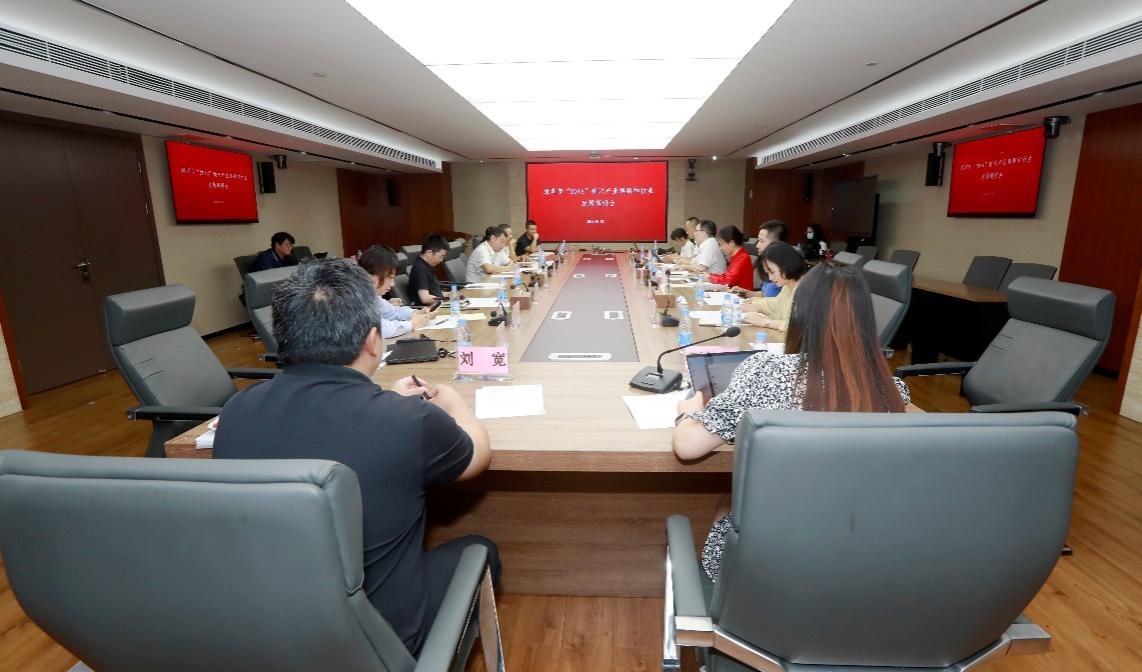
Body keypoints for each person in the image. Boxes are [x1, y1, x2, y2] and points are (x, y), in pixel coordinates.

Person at [212, 258, 498, 655]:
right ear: (373, 340)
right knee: (482, 549)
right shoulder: (409, 421)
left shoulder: (236, 411)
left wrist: (388, 401)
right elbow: (476, 456)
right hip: (380, 644)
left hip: (267, 635)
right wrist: (453, 402)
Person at [672, 262, 910, 581]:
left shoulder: (764, 372)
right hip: (856, 565)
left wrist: (688, 411)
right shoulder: (891, 390)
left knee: (728, 502)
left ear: (800, 315)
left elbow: (687, 447)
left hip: (764, 571)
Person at [358, 245, 433, 337]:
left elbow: (393, 312)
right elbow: (379, 328)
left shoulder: (372, 295)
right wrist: (412, 324)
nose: (392, 284)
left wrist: (415, 313)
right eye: (390, 278)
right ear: (372, 276)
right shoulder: (353, 297)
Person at [738, 242, 806, 331]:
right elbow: (775, 304)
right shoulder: (788, 286)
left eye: (772, 272)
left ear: (786, 264)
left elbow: (800, 326)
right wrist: (756, 306)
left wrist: (766, 322)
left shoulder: (806, 289)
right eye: (768, 273)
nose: (770, 278)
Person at [707, 225, 754, 291]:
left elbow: (729, 280)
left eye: (721, 244)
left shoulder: (743, 258)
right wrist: (710, 275)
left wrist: (710, 278)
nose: (720, 248)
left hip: (740, 296)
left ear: (732, 242)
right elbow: (727, 276)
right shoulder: (736, 256)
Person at [409, 234, 448, 305]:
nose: (442, 260)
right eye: (441, 256)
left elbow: (434, 291)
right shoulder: (420, 268)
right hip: (428, 309)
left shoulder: (428, 265)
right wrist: (446, 300)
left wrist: (449, 295)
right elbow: (425, 298)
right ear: (429, 253)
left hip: (437, 305)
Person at [756, 220, 787, 297]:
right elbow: (764, 294)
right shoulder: (767, 264)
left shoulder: (786, 271)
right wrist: (746, 292)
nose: (757, 245)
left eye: (761, 241)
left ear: (776, 244)